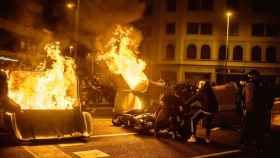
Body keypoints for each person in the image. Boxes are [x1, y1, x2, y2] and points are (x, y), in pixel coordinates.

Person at [240, 70, 268, 152]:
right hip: (248, 110)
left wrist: (267, 108)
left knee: (259, 129)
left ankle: (259, 146)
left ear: (257, 76)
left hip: (259, 111)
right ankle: (244, 143)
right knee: (246, 127)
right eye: (249, 77)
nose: (250, 78)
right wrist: (243, 108)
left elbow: (267, 97)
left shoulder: (263, 85)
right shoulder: (247, 85)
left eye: (252, 76)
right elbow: (242, 98)